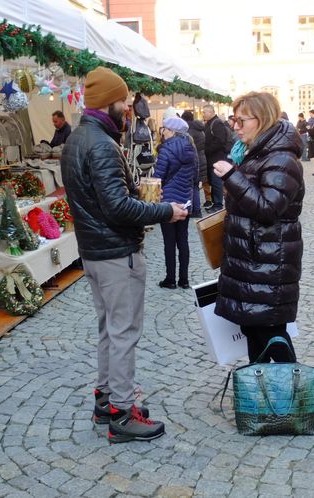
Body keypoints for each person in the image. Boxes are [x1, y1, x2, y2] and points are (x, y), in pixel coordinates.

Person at [60, 67, 189, 442]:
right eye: (124, 102)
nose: (129, 108)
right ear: (109, 104)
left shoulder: (78, 139)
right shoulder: (101, 144)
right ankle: (120, 410)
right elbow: (117, 207)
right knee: (123, 333)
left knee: (109, 329)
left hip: (95, 252)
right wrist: (166, 211)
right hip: (115, 253)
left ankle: (105, 399)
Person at [212, 91, 304, 363]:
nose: (235, 126)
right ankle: (260, 393)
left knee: (271, 333)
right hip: (253, 259)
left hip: (269, 260)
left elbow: (267, 209)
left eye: (242, 120)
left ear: (261, 119)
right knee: (253, 329)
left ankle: (296, 394)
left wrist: (231, 177)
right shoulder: (253, 152)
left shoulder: (281, 158)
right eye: (234, 120)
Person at [154, 116, 198, 289]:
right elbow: (195, 177)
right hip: (185, 200)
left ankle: (170, 279)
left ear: (171, 131)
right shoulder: (191, 148)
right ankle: (184, 280)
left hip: (168, 203)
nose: (162, 132)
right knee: (183, 240)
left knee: (169, 242)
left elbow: (159, 177)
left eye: (164, 129)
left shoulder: (165, 149)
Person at [203, 104, 230, 212]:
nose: (203, 114)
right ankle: (215, 203)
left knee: (216, 182)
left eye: (204, 112)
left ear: (211, 112)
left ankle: (218, 205)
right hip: (212, 159)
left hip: (216, 158)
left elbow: (220, 141)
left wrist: (207, 149)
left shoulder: (217, 123)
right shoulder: (210, 123)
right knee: (213, 182)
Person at [181, 110, 207, 218]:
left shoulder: (189, 131)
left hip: (194, 159)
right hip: (201, 157)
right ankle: (197, 210)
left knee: (193, 185)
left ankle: (196, 210)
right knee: (195, 185)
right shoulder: (200, 129)